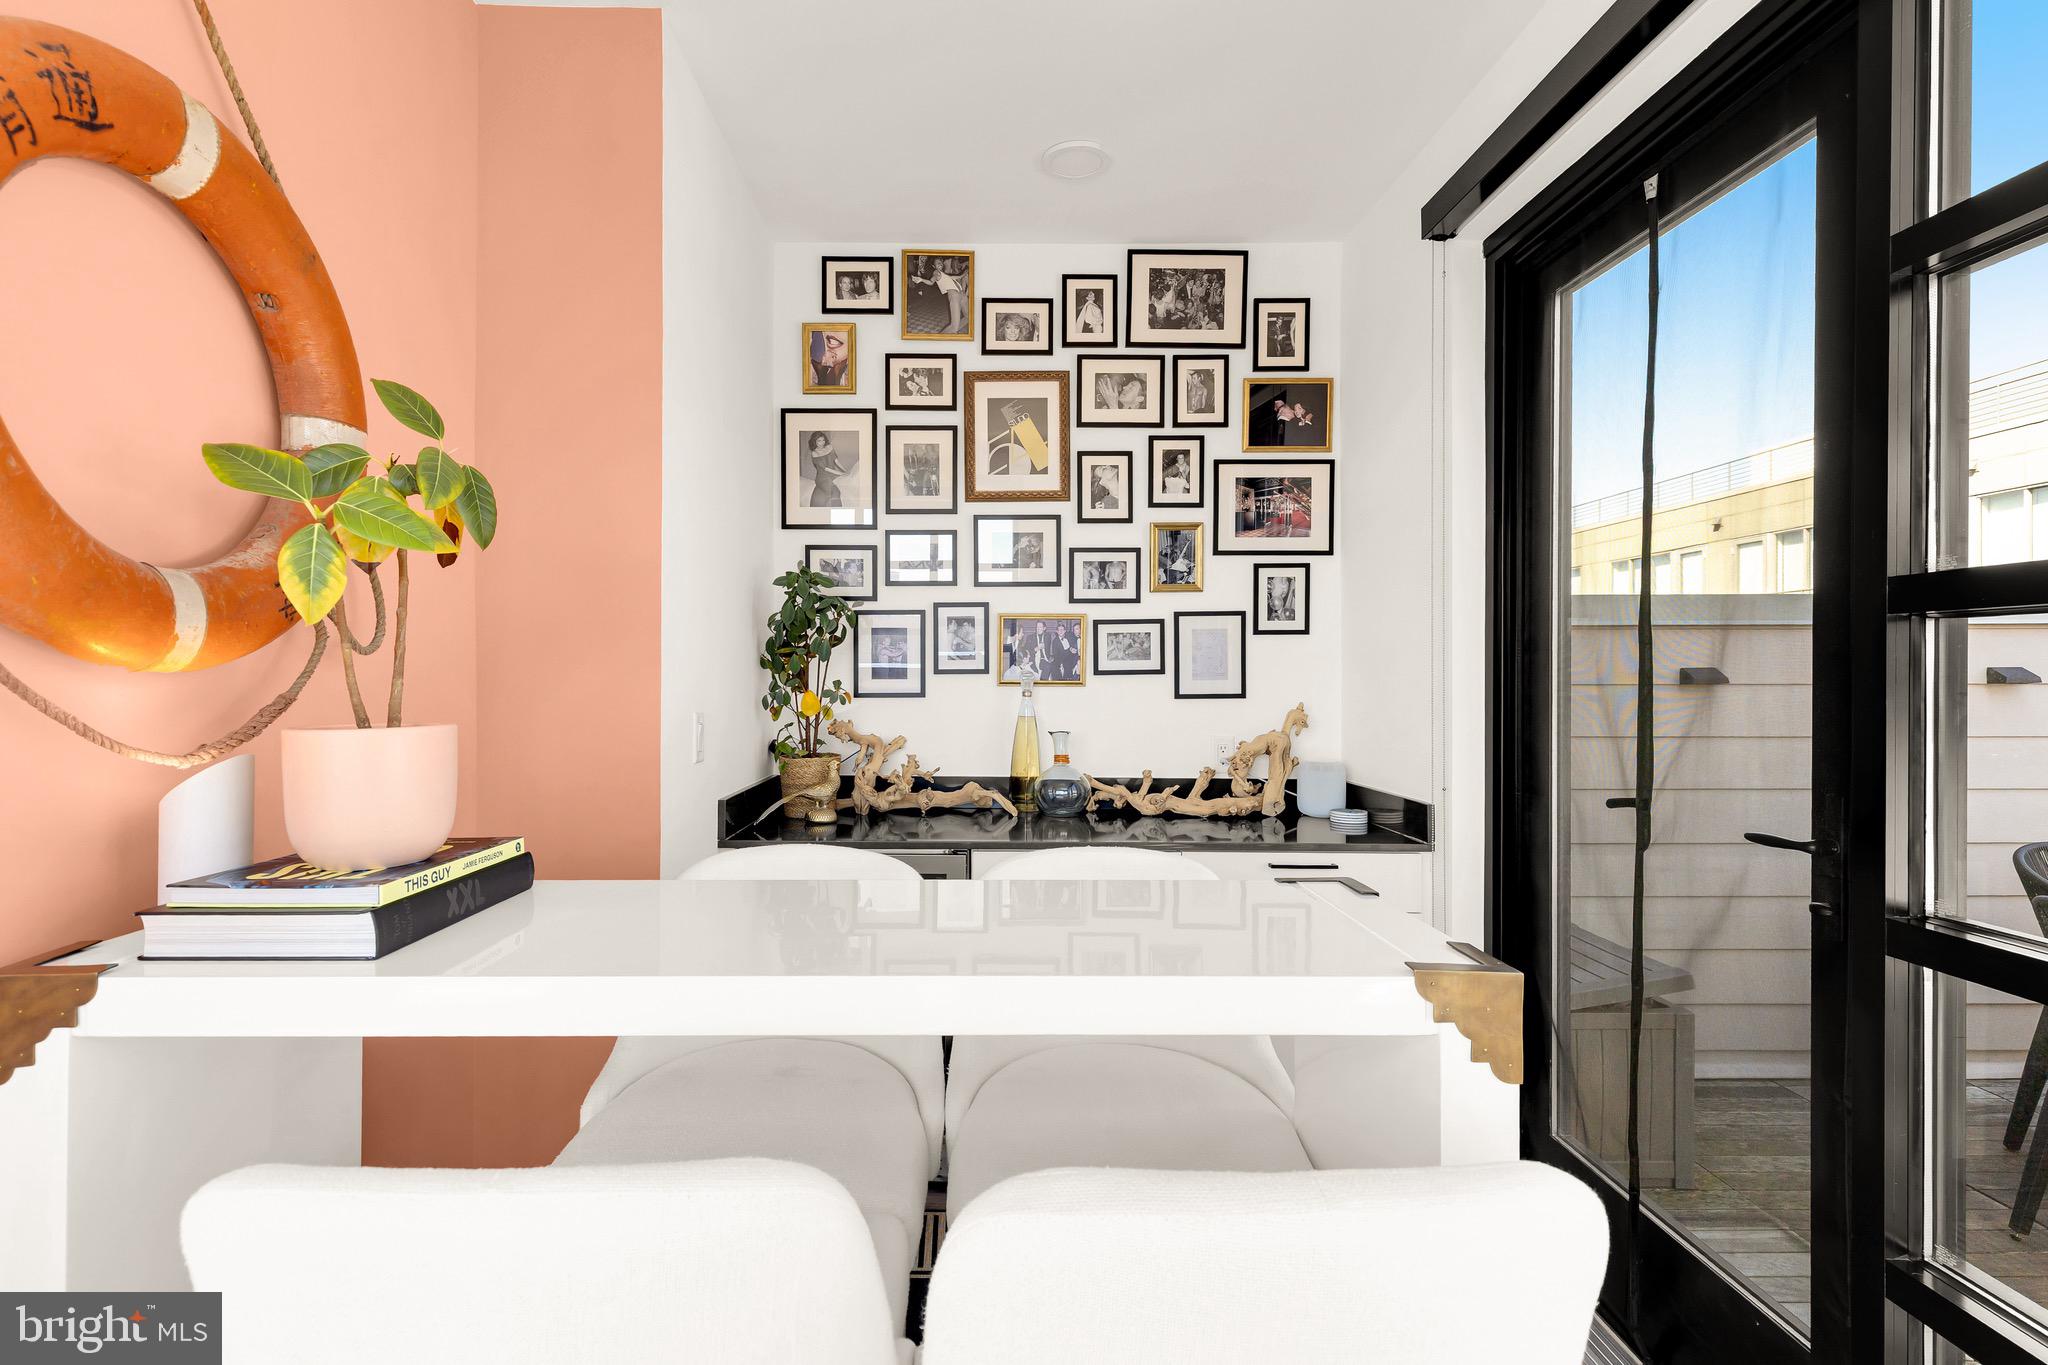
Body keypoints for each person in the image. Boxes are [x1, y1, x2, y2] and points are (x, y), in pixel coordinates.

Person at [805, 431, 853, 508]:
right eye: (819, 441)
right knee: (833, 492)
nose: (822, 443)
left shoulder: (830, 447)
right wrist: (841, 474)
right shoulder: (814, 453)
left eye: (823, 440)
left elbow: (836, 461)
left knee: (837, 491)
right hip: (822, 478)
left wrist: (845, 471)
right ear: (814, 442)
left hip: (833, 475)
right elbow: (827, 469)